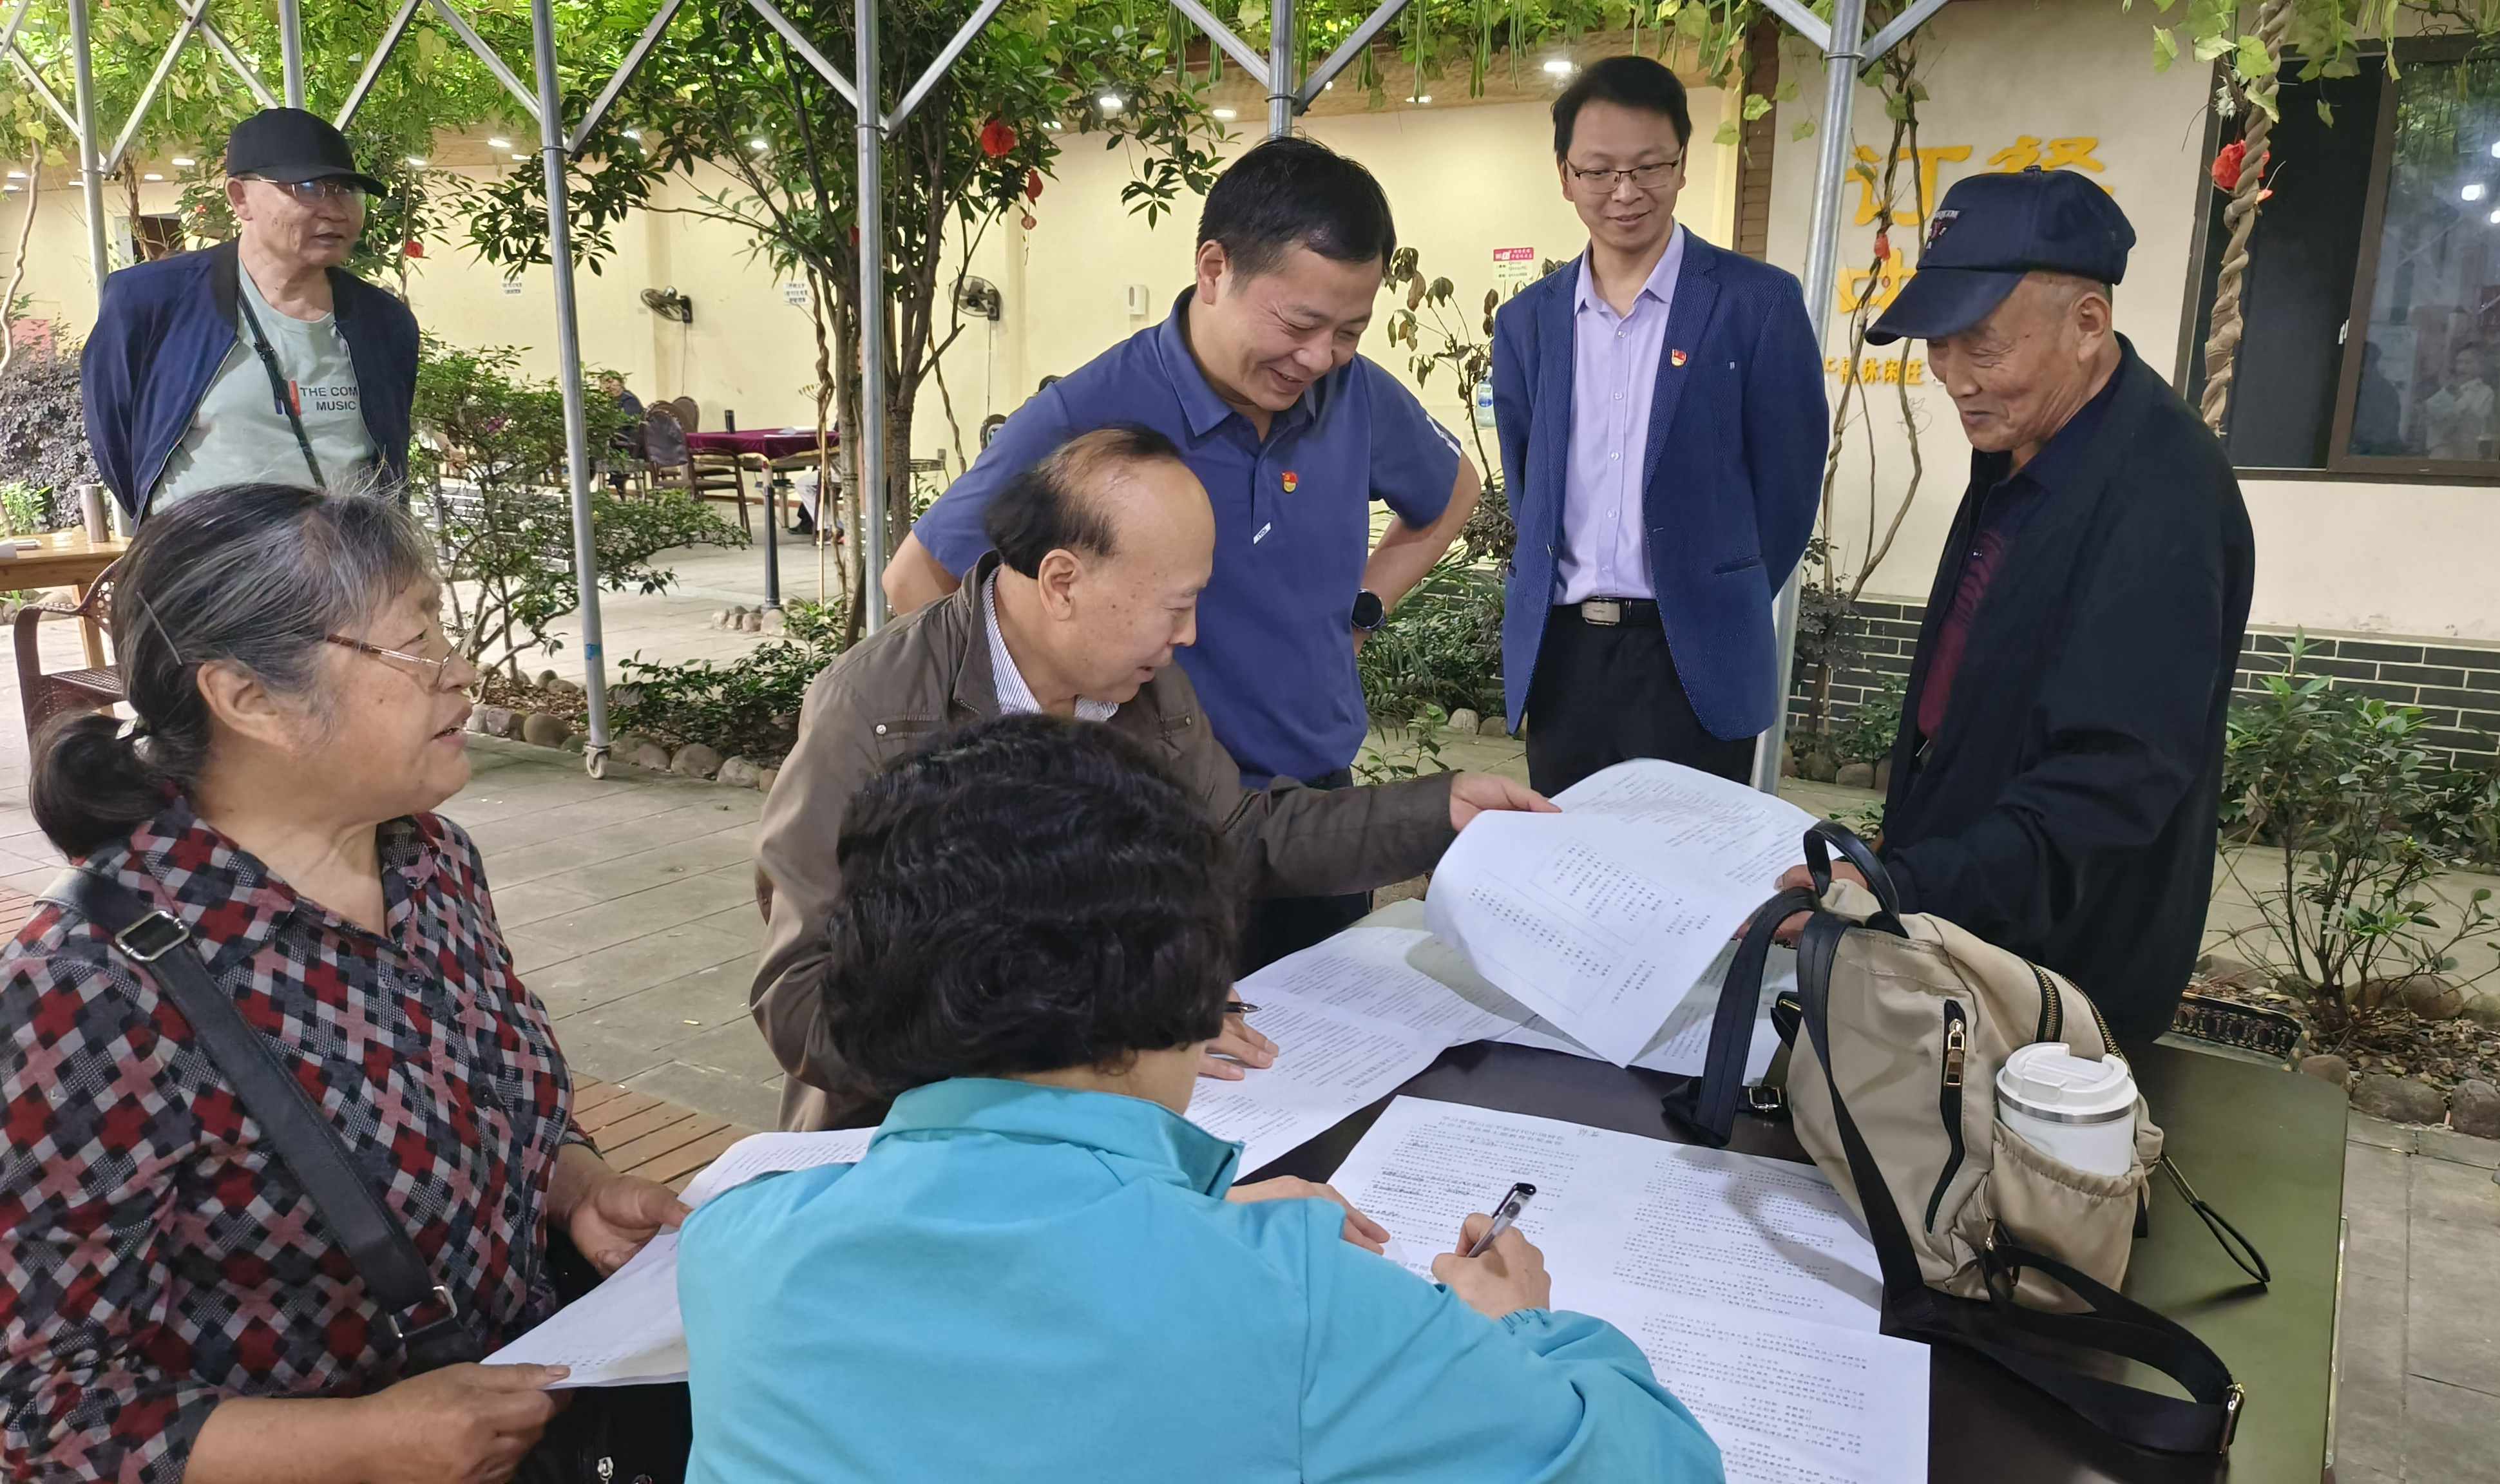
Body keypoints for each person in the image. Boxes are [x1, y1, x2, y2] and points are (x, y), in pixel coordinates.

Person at [685, 714, 1724, 1483]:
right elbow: (1660, 1463)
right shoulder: (1304, 1310)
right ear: (1189, 986)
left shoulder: (736, 1247)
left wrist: (1189, 1224)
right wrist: (1519, 1327)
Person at [0, 484, 687, 1483]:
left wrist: (575, 1188)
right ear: (250, 700)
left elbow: (493, 1093)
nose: (461, 669)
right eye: (415, 643)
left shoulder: (429, 860)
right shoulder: (88, 992)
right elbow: (41, 1414)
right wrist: (367, 1445)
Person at [756, 426, 1552, 1132]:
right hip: (906, 1142)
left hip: (1103, 1123)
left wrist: (1436, 811)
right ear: (1062, 582)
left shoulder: (1139, 680)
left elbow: (1238, 836)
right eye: (1175, 607)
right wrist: (1106, 1034)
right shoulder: (878, 712)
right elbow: (801, 1003)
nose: (1190, 635)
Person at [879, 137, 1482, 969]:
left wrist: (1361, 611)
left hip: (1315, 819)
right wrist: (1050, 745)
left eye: (1350, 330)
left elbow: (1453, 492)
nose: (1320, 358)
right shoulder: (1090, 413)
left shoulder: (1356, 395)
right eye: (1299, 324)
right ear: (1214, 269)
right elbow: (918, 578)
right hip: (1151, 832)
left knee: (1320, 1043)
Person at [1775, 167, 2255, 1044]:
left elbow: (2106, 789)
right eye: (1939, 346)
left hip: (2054, 979)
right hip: (1963, 930)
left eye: (1983, 347)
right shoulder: (2025, 442)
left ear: (2087, 325)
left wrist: (1905, 886)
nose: (1954, 378)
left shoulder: (2162, 497)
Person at [1493, 57, 1829, 797]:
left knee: (1694, 860)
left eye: (1648, 167)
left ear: (1681, 165)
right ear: (1564, 175)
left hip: (1696, 654)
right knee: (1567, 855)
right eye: (1598, 171)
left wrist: (1718, 585)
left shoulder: (1757, 304)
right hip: (1566, 657)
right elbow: (1527, 482)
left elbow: (1788, 487)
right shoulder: (1526, 322)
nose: (1624, 192)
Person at [82, 110, 419, 520]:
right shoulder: (152, 301)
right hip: (206, 557)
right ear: (240, 197)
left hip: (346, 557)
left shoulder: (384, 321)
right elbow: (117, 441)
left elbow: (388, 454)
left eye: (348, 190)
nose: (336, 210)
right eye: (309, 188)